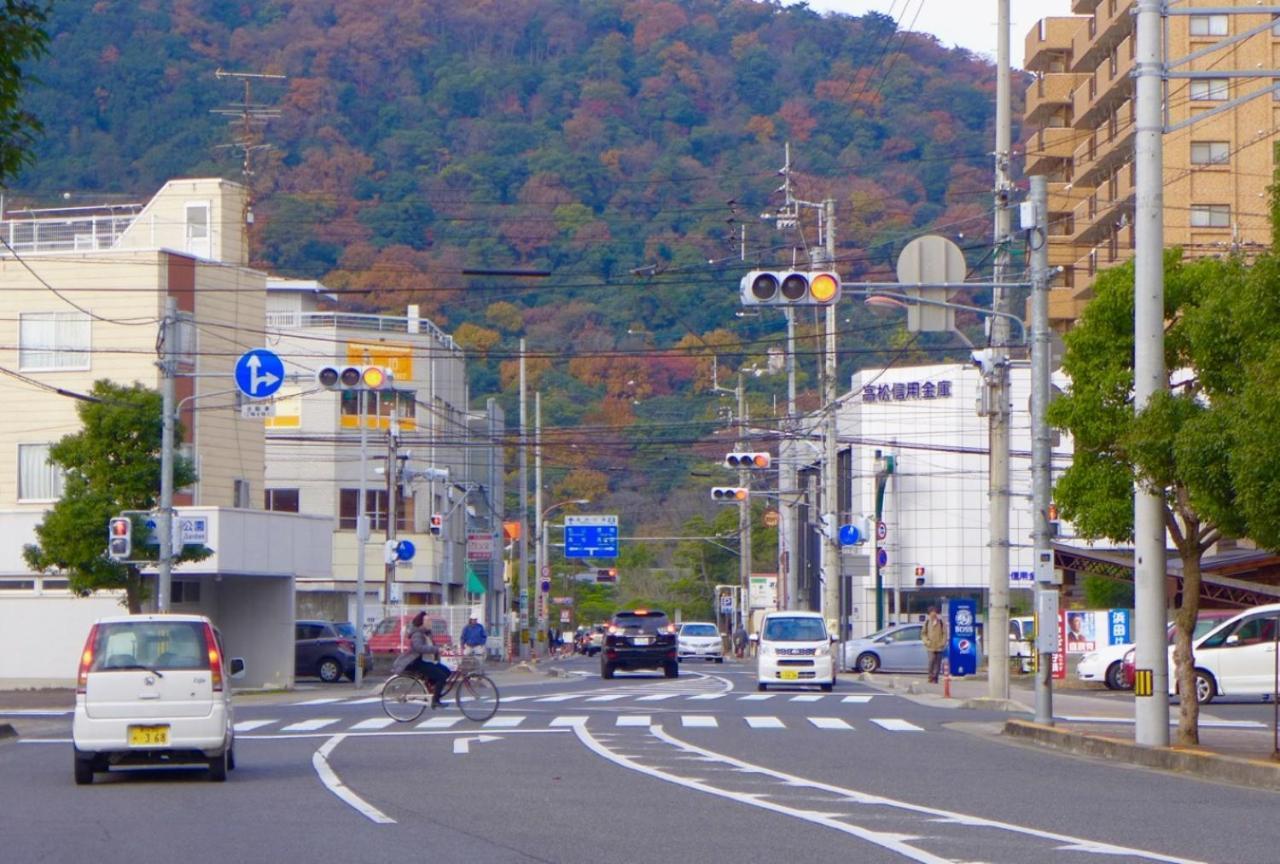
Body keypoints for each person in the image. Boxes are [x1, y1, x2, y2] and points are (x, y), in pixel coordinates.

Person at [392, 611, 450, 707]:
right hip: (418, 661)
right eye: (427, 620)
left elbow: (432, 645)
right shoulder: (417, 634)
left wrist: (443, 647)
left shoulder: (427, 633)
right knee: (441, 677)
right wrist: (436, 649)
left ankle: (431, 688)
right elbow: (419, 648)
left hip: (427, 660)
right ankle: (435, 701)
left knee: (447, 671)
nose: (430, 622)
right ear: (421, 623)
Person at [921, 606, 948, 684]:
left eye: (934, 612)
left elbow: (944, 633)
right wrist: (927, 642)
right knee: (931, 661)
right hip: (930, 646)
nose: (933, 614)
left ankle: (935, 678)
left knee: (938, 663)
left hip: (939, 646)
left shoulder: (941, 622)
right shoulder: (927, 622)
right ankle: (930, 677)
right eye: (931, 612)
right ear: (929, 614)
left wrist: (943, 642)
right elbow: (923, 634)